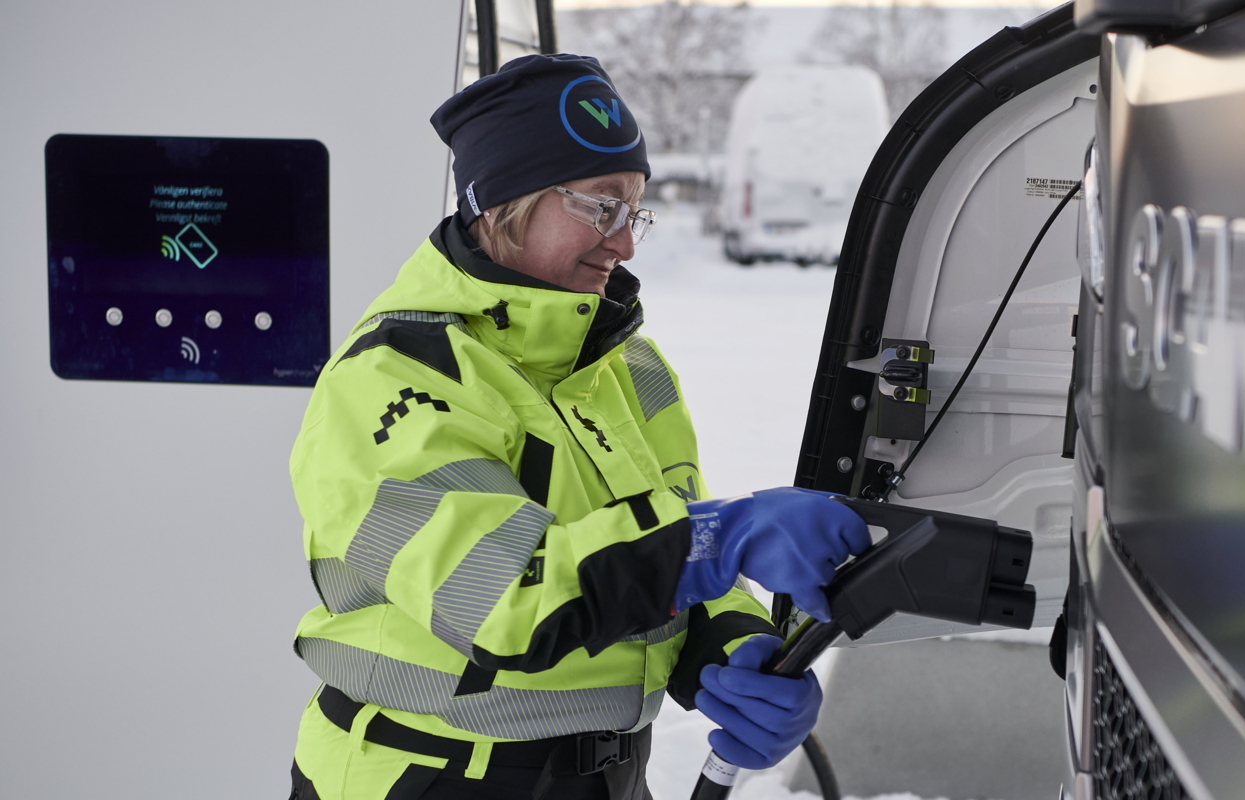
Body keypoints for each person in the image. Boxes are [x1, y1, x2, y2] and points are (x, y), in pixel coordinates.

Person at [286, 54, 870, 800]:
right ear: (500, 205)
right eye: (601, 207)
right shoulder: (396, 377)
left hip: (605, 780)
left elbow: (666, 543)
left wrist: (730, 645)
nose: (624, 243)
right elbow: (504, 598)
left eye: (636, 211)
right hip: (425, 780)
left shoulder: (631, 366)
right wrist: (722, 539)